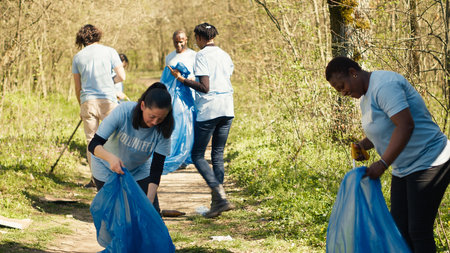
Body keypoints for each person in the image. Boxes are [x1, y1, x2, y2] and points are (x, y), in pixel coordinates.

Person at [325, 56, 450, 253]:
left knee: (418, 230)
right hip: (403, 167)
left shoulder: (385, 86)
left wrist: (383, 163)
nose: (344, 92)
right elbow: (385, 129)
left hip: (430, 160)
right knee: (399, 230)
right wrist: (363, 144)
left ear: (352, 72)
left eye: (342, 86)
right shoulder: (365, 96)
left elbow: (405, 125)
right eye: (339, 90)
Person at [168, 23, 235, 218]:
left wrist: (181, 79)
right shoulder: (225, 55)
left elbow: (205, 87)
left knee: (197, 154)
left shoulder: (201, 56)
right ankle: (217, 203)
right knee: (218, 154)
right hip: (227, 108)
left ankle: (220, 198)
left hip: (209, 109)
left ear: (199, 38)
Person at [88, 82, 174, 213]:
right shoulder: (124, 111)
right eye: (152, 116)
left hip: (138, 170)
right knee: (116, 215)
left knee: (151, 214)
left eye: (160, 118)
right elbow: (94, 144)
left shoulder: (164, 128)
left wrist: (149, 199)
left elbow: (157, 167)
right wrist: (111, 158)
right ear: (143, 106)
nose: (155, 122)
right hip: (105, 167)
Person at [72, 24, 126, 188]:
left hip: (88, 101)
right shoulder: (110, 51)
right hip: (108, 100)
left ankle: (96, 179)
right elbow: (122, 76)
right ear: (98, 35)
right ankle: (117, 171)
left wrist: (81, 106)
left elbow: (77, 87)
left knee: (91, 142)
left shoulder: (78, 57)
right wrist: (109, 83)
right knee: (115, 138)